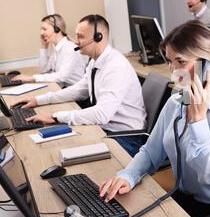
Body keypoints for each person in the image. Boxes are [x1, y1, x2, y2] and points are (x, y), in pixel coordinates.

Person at [99, 20, 210, 217]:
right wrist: (128, 176)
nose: (173, 70)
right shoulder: (176, 102)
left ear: (206, 63)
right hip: (183, 200)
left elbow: (208, 174)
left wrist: (198, 122)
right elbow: (151, 152)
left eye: (180, 61)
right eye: (170, 61)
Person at [13, 14, 147, 156]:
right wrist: (39, 100)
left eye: (80, 37)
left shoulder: (115, 67)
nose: (75, 41)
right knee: (55, 147)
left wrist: (56, 116)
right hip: (105, 129)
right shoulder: (95, 61)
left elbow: (102, 114)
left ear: (98, 37)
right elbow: (79, 90)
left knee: (64, 152)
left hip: (127, 137)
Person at [12, 14, 85, 87]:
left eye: (44, 29)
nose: (41, 33)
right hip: (64, 88)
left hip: (76, 93)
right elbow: (43, 70)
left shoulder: (70, 48)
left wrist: (32, 78)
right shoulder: (57, 49)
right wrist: (44, 47)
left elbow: (62, 76)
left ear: (57, 29)